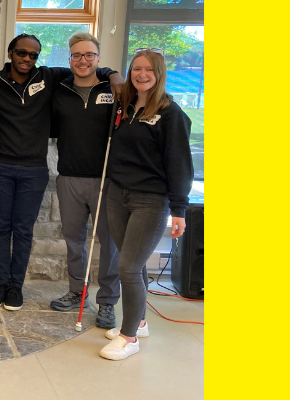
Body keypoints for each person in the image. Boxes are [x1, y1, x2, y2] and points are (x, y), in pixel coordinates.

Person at [0, 34, 122, 312]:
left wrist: (113, 75)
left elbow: (86, 66)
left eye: (33, 55)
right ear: (10, 53)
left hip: (34, 170)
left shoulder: (49, 76)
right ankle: (0, 285)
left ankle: (15, 287)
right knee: (1, 229)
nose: (27, 59)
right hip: (0, 167)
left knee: (22, 230)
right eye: (22, 53)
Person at [98, 49, 193, 361]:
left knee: (128, 266)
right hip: (117, 194)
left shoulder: (171, 114)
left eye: (148, 70)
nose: (141, 74)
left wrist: (179, 208)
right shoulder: (125, 107)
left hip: (150, 200)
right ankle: (138, 323)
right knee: (131, 262)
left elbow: (179, 163)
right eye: (136, 68)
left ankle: (128, 339)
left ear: (159, 73)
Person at [48, 32, 122, 329]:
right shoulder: (61, 90)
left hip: (105, 179)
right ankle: (78, 292)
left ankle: (107, 302)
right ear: (70, 59)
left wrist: (113, 74)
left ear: (98, 58)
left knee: (108, 243)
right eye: (77, 55)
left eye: (89, 55)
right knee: (74, 240)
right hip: (69, 177)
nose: (83, 60)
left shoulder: (114, 89)